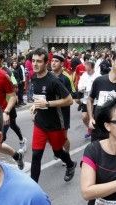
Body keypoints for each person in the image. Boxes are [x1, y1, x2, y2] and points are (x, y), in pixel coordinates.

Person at [29, 48, 76, 183]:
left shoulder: (53, 81)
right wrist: (35, 106)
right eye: (33, 61)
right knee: (36, 155)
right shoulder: (33, 77)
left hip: (55, 124)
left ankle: (70, 164)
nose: (35, 64)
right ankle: (33, 188)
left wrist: (47, 104)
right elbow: (38, 98)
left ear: (45, 63)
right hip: (40, 123)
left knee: (57, 152)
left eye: (39, 61)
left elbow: (69, 100)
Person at [50, 53, 76, 155]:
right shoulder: (48, 75)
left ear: (62, 63)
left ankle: (67, 154)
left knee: (63, 137)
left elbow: (72, 95)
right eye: (52, 61)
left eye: (56, 61)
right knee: (51, 136)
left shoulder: (66, 77)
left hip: (63, 111)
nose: (53, 63)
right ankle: (58, 150)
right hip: (50, 111)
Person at [77, 59, 100, 139]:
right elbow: (79, 86)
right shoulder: (84, 75)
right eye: (85, 64)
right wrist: (82, 89)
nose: (85, 66)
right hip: (86, 99)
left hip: (95, 101)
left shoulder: (98, 76)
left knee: (93, 117)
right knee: (84, 117)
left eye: (87, 64)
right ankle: (90, 129)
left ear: (91, 66)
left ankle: (92, 131)